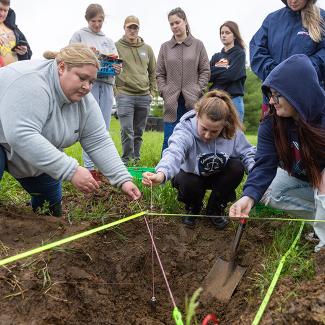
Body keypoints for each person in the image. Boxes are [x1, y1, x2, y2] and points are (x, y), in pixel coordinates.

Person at [0, 43, 141, 217]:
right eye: (82, 78)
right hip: (3, 137)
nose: (87, 87)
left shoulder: (85, 103)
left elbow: (98, 141)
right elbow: (21, 135)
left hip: (31, 150)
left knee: (50, 210)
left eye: (91, 81)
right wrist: (71, 170)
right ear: (61, 67)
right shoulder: (32, 83)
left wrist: (122, 179)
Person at [229, 54, 325, 253]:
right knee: (267, 190)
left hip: (322, 180)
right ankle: (321, 221)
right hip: (305, 181)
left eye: (277, 95)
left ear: (296, 93)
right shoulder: (271, 123)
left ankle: (323, 248)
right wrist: (248, 197)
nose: (272, 101)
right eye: (270, 94)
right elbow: (264, 164)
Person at [142, 90, 256, 229]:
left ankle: (215, 208)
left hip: (217, 175)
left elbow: (247, 153)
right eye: (204, 128)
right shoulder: (185, 129)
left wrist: (256, 175)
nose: (207, 135)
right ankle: (193, 207)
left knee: (236, 167)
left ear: (224, 125)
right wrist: (161, 174)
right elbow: (174, 152)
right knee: (187, 181)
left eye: (215, 131)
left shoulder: (232, 131)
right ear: (198, 116)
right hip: (191, 176)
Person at [70, 3, 121, 175]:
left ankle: (102, 169)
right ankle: (90, 168)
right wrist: (86, 53)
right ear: (87, 20)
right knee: (89, 125)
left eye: (100, 21)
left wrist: (117, 68)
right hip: (88, 85)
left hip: (106, 85)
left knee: (103, 127)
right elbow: (70, 57)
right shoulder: (79, 35)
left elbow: (116, 63)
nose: (97, 24)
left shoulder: (108, 40)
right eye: (94, 21)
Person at [250, 0, 325, 116]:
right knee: (270, 132)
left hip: (308, 101)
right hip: (274, 100)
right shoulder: (272, 19)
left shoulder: (322, 18)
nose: (293, 1)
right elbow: (256, 50)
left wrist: (302, 72)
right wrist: (277, 74)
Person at [156, 7, 210, 153]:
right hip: (171, 101)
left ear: (185, 21)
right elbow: (159, 73)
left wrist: (198, 89)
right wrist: (164, 91)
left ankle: (191, 172)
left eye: (177, 22)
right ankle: (164, 174)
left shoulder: (198, 45)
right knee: (169, 139)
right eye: (171, 24)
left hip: (193, 101)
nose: (174, 26)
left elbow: (205, 70)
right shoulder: (165, 47)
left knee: (195, 138)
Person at [115, 15, 157, 165]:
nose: (132, 30)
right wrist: (116, 91)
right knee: (127, 130)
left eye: (135, 27)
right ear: (124, 28)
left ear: (138, 29)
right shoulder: (116, 46)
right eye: (129, 27)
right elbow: (111, 68)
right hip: (124, 94)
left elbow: (153, 72)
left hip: (144, 96)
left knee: (138, 132)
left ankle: (136, 160)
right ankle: (126, 161)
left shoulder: (147, 49)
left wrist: (152, 92)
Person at [209, 21, 246, 122]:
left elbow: (231, 75)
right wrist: (226, 68)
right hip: (215, 99)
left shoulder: (239, 54)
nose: (224, 35)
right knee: (215, 134)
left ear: (234, 36)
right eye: (222, 33)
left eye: (227, 32)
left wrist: (216, 72)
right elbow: (208, 75)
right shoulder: (216, 56)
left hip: (233, 100)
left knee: (234, 135)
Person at [0, 0, 32, 67]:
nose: (2, 14)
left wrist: (24, 53)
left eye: (5, 10)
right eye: (0, 9)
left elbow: (29, 54)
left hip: (16, 73)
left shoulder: (14, 29)